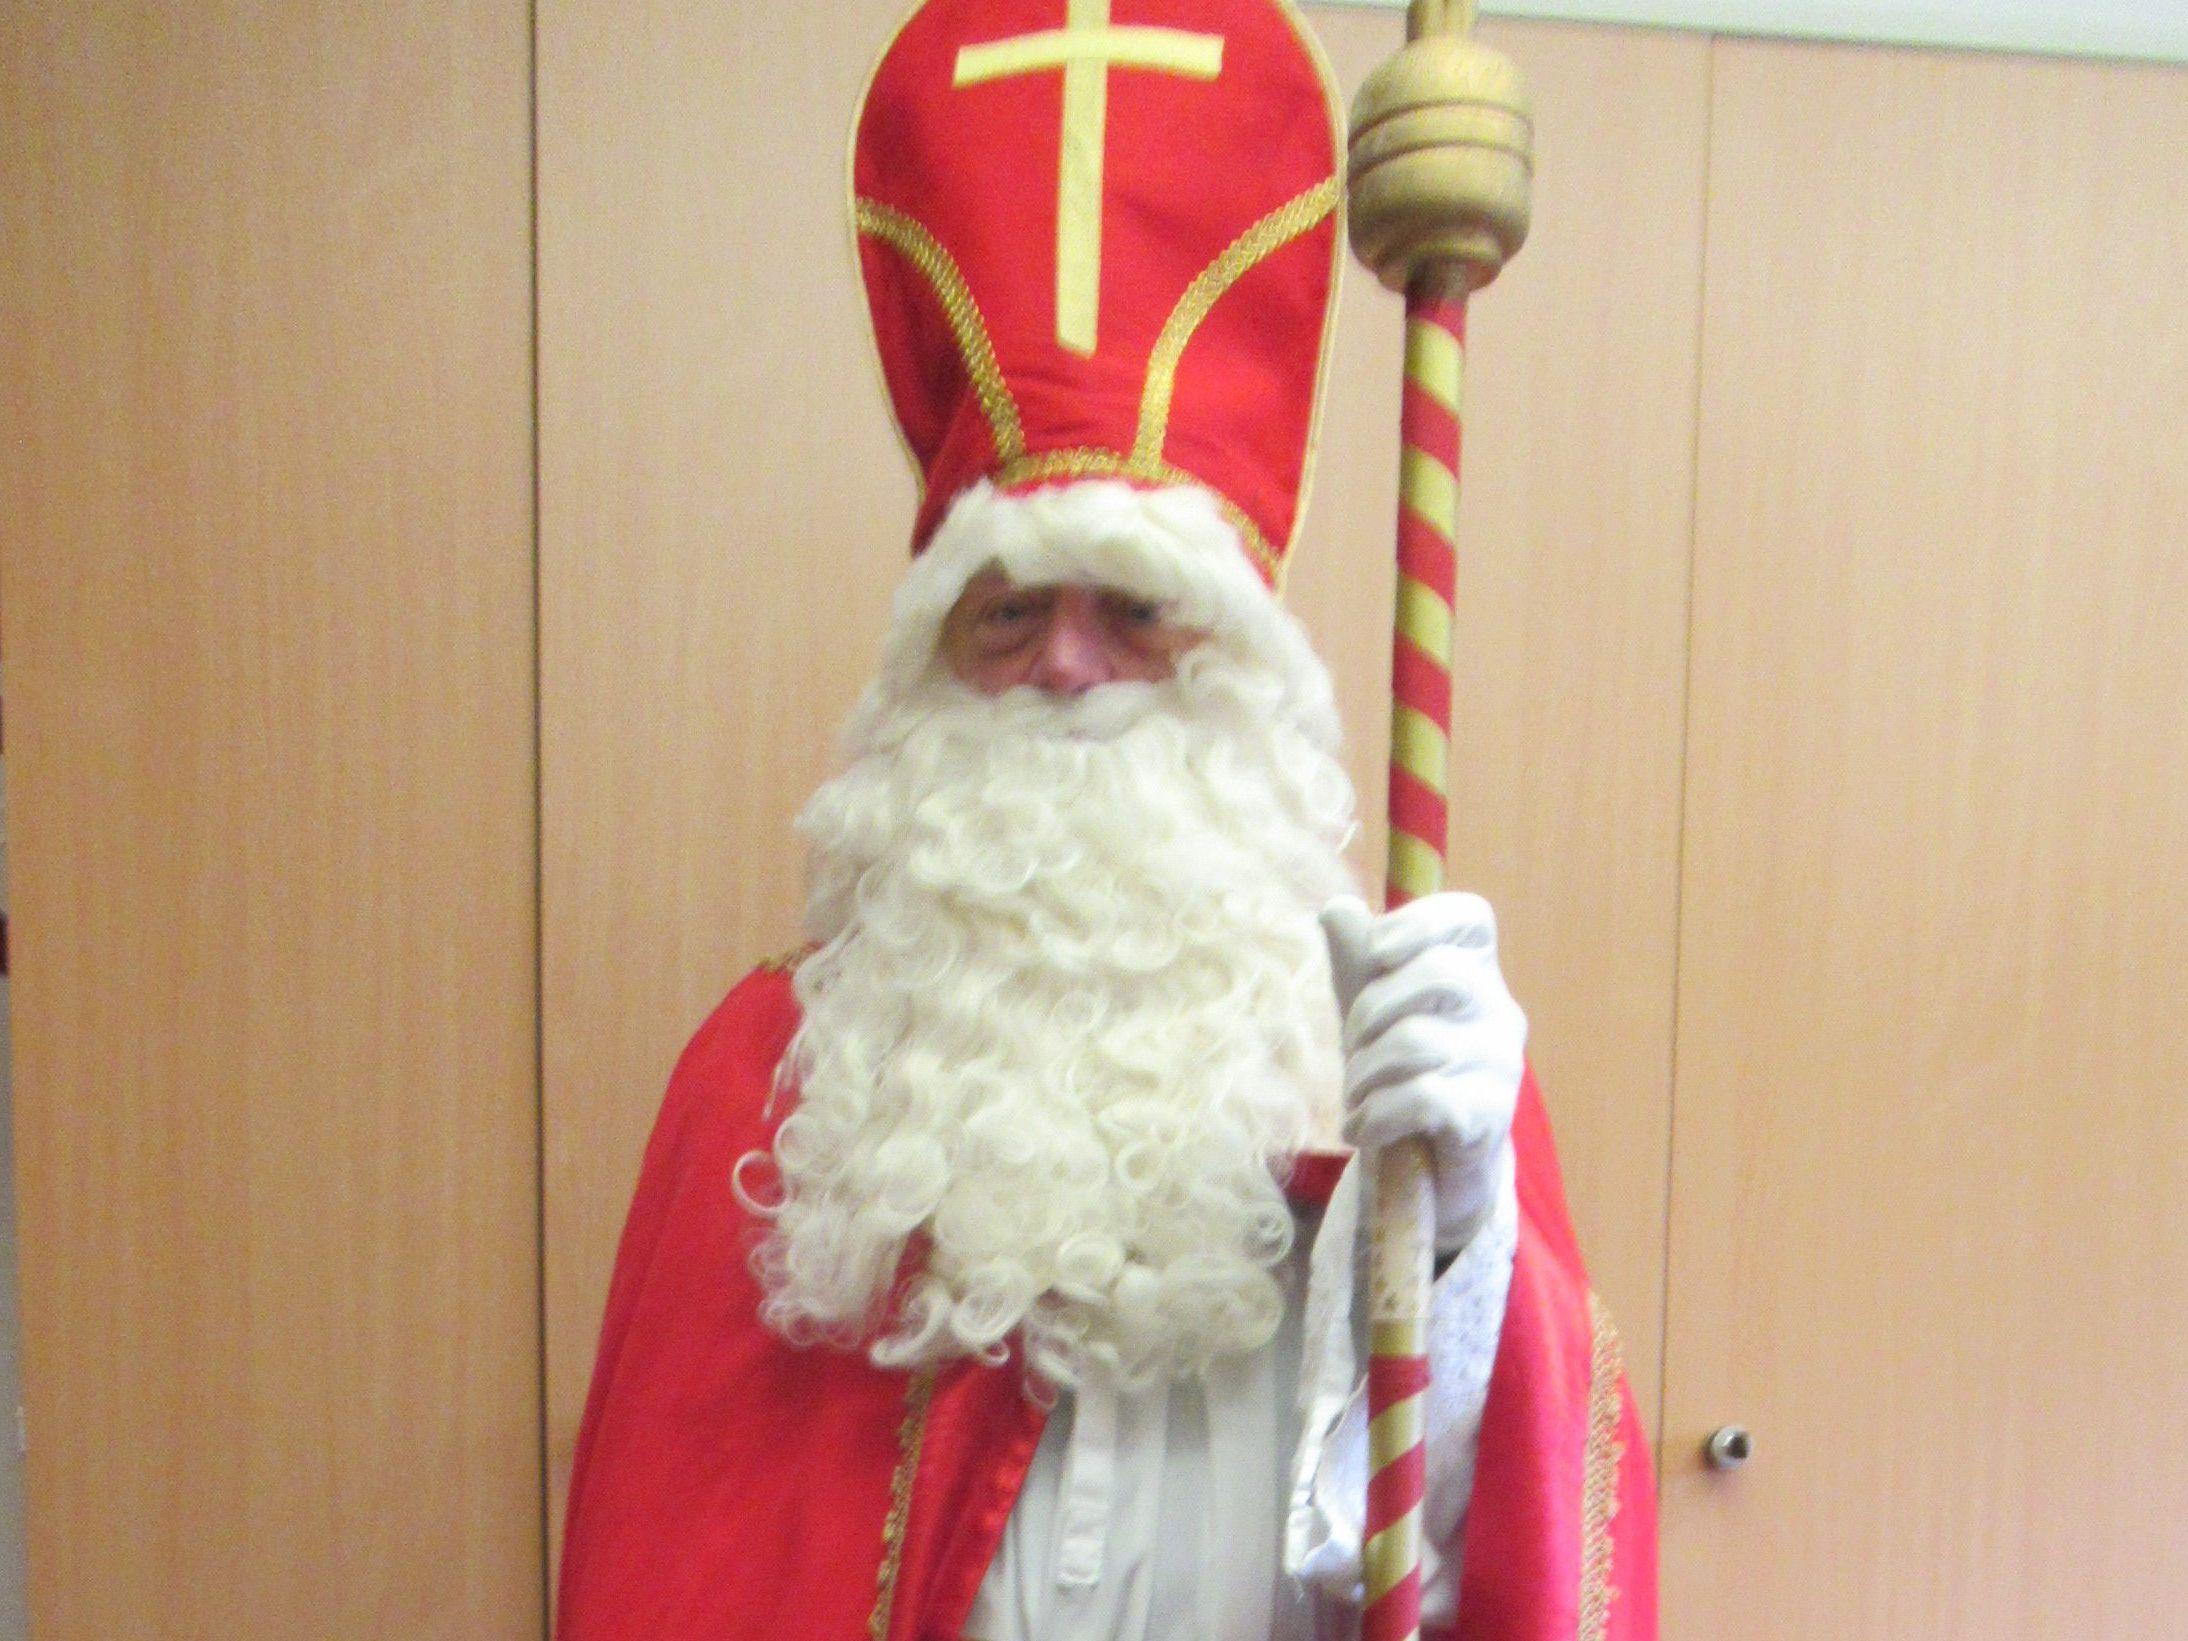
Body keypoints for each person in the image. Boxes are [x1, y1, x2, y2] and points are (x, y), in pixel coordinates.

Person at [556, 2, 1656, 1637]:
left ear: (1241, 667)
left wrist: (1461, 1248)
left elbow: (1496, 1577)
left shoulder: (1395, 1065)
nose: (1069, 664)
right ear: (931, 667)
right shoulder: (770, 1091)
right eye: (1008, 612)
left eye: (1136, 608)